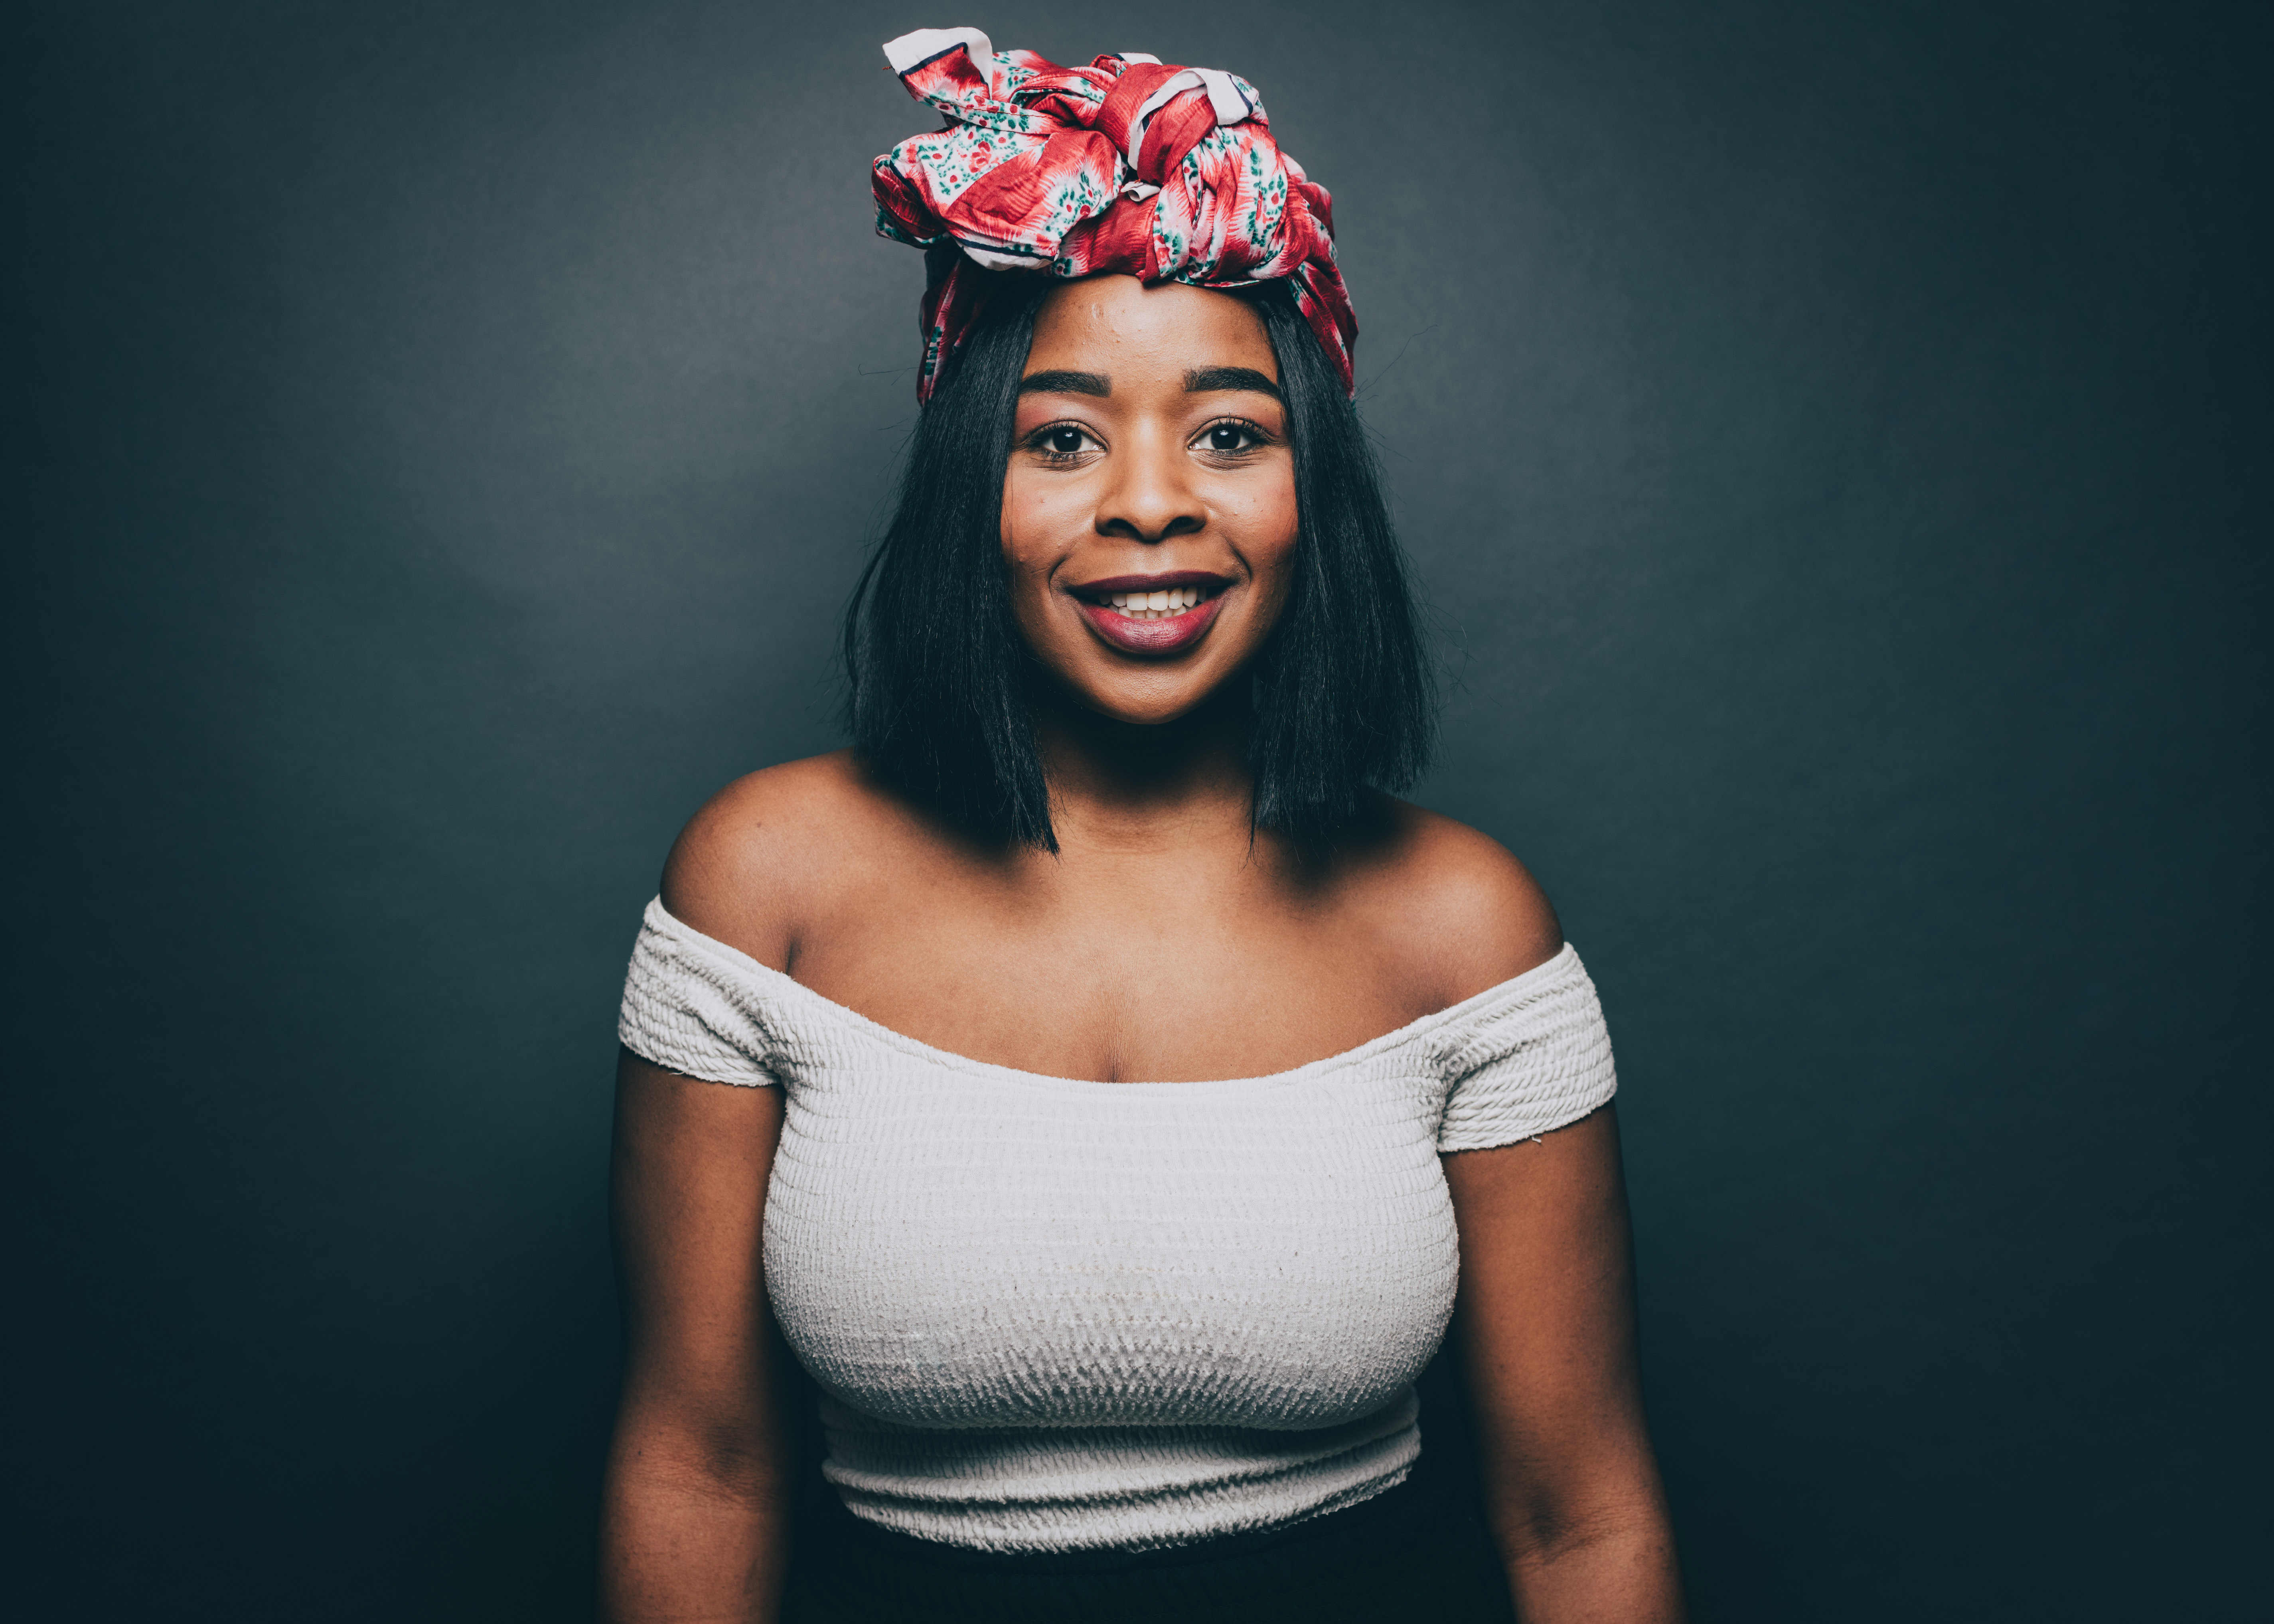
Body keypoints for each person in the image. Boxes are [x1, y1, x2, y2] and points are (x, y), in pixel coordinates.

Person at [597, 28, 1685, 1623]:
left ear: (1317, 493)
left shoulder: (1464, 925)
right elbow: (699, 1465)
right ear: (974, 485)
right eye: (1062, 437)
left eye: (1233, 433)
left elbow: (1576, 1514)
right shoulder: (767, 883)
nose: (1152, 504)